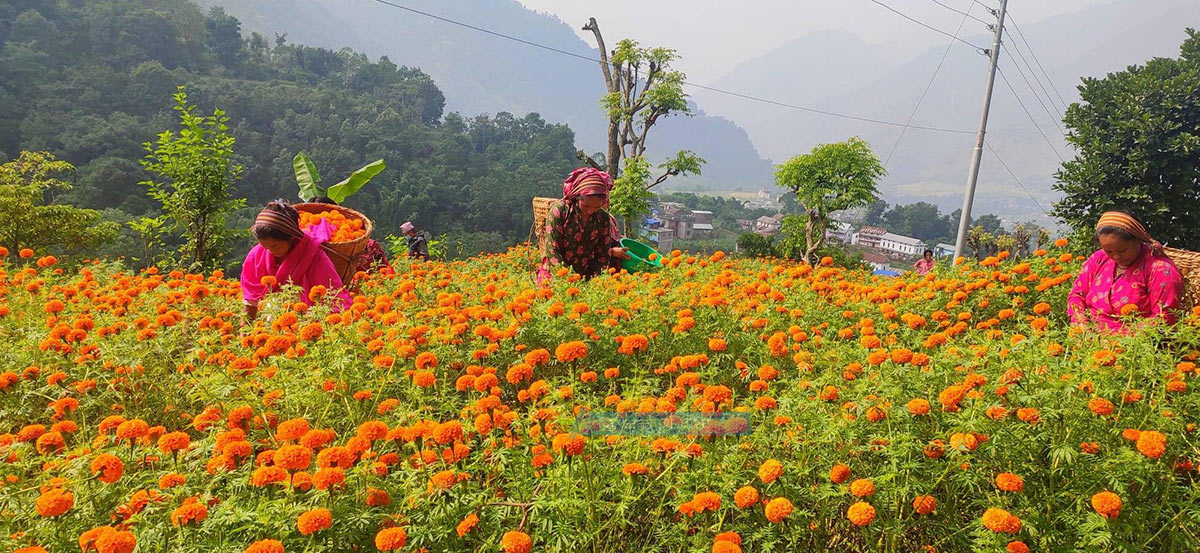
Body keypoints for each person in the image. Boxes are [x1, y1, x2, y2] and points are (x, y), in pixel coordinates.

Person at [1067, 210, 1184, 332]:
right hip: (1088, 334)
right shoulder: (1098, 259)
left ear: (1138, 240)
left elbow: (1164, 317)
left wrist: (1121, 338)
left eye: (1122, 251)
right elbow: (1077, 295)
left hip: (1135, 339)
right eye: (1109, 251)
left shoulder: (1160, 269)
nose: (1116, 256)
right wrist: (1081, 323)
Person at [240, 201, 352, 321]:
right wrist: (245, 329)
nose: (271, 252)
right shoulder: (256, 256)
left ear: (292, 236)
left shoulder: (313, 255)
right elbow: (250, 298)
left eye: (276, 246)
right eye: (266, 247)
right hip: (274, 318)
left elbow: (333, 296)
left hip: (309, 317)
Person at [536, 167, 629, 285]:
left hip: (585, 275)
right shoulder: (560, 211)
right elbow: (552, 250)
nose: (590, 211)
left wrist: (596, 282)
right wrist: (564, 280)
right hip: (555, 275)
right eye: (586, 206)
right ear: (577, 197)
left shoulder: (603, 218)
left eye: (597, 207)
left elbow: (603, 254)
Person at [308, 196, 391, 274]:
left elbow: (386, 271)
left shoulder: (369, 246)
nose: (323, 225)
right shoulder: (308, 249)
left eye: (327, 217)